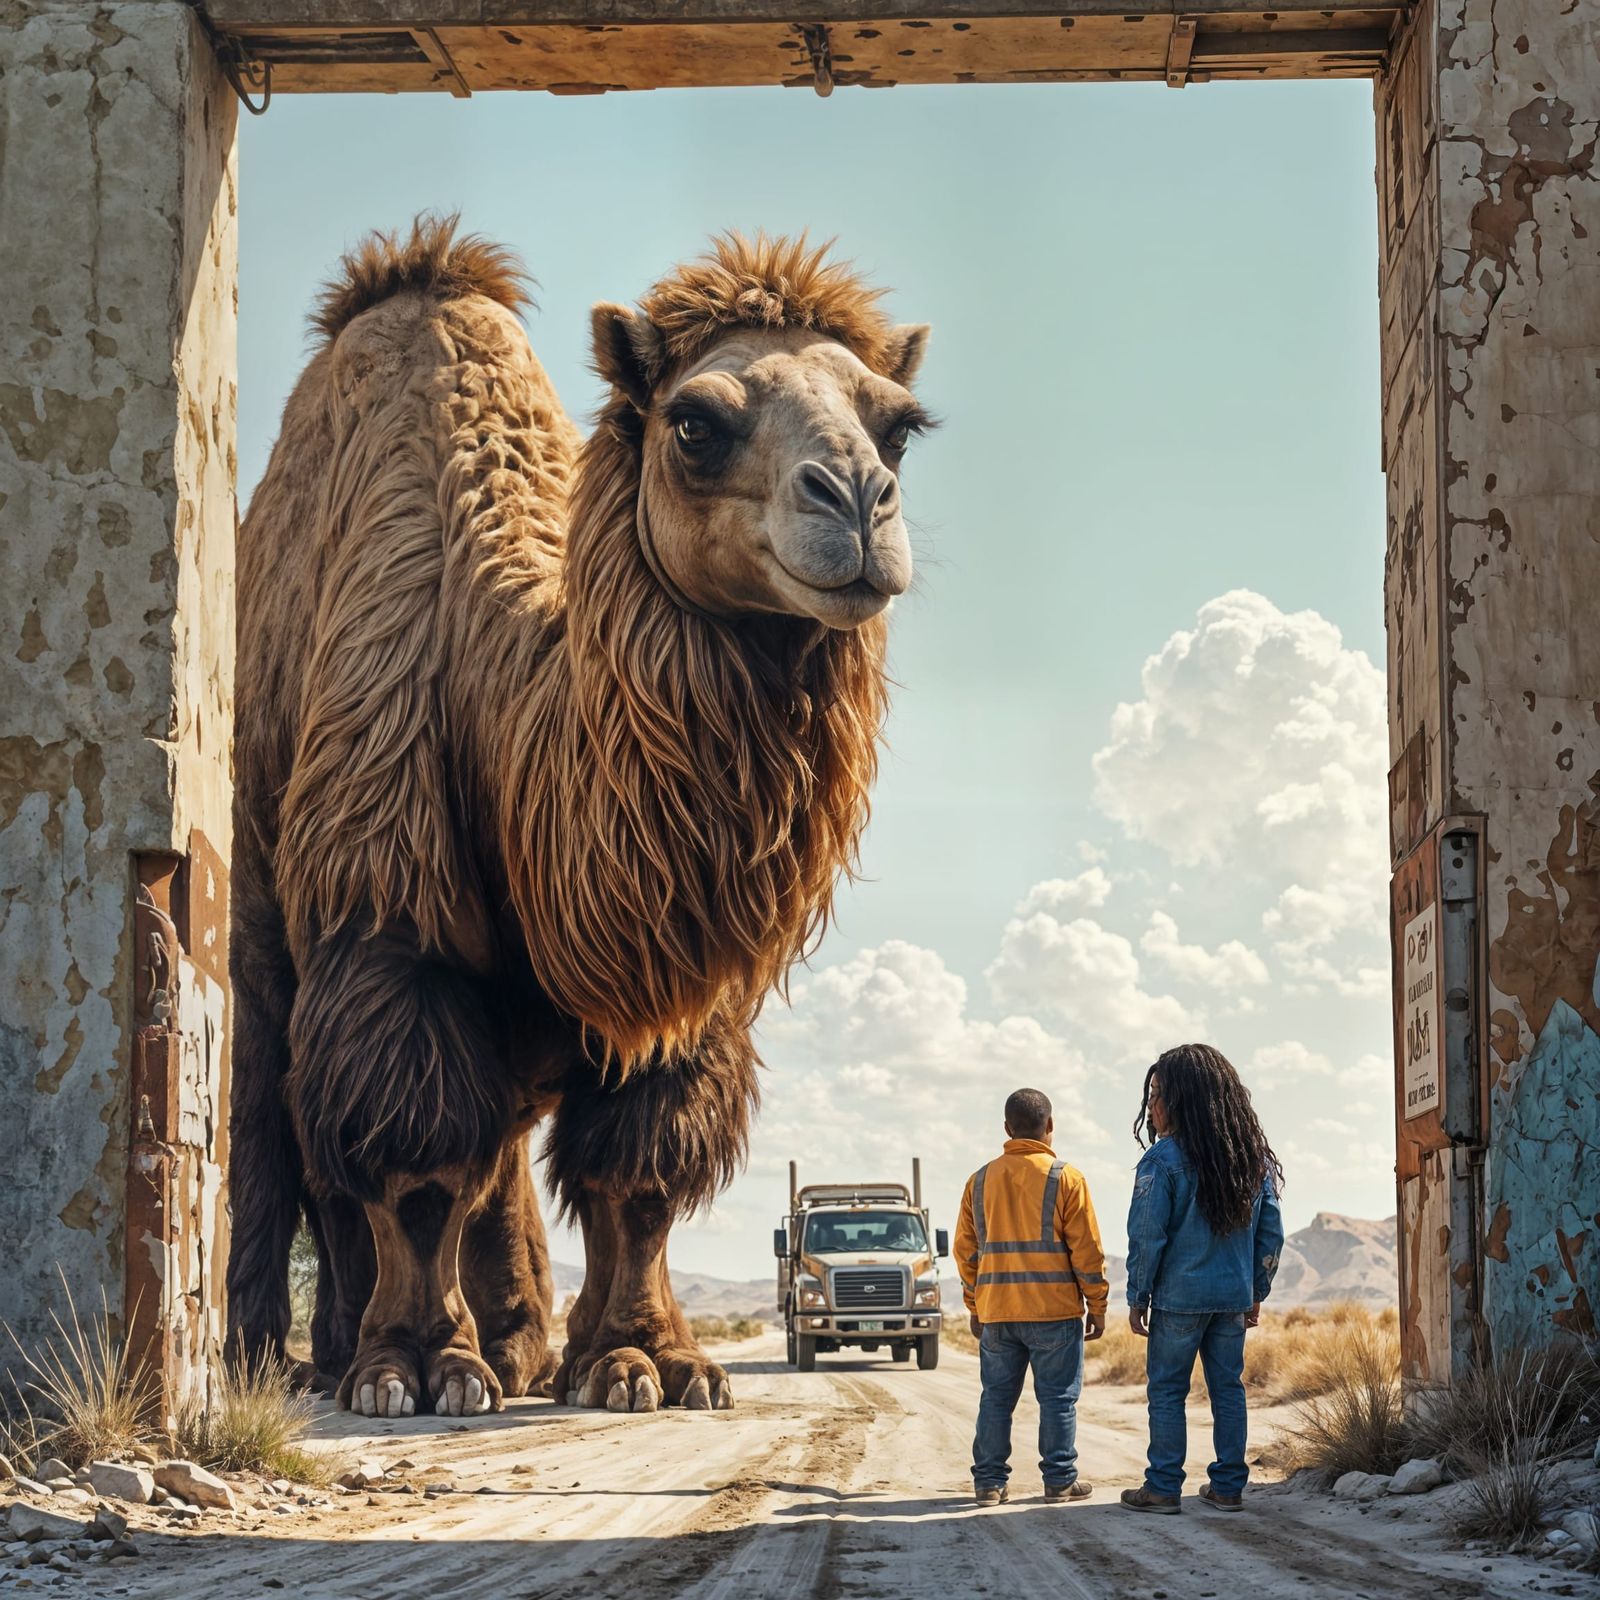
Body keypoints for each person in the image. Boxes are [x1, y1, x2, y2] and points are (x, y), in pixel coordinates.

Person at [1120, 1043, 1285, 1515]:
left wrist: (1138, 1295)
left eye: (1157, 1095)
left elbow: (1147, 1235)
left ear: (1182, 1101)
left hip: (1179, 1300)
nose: (1151, 1107)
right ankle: (1229, 1487)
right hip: (1232, 1297)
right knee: (1227, 1389)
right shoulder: (1250, 1160)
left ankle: (1162, 1488)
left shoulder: (1161, 1161)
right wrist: (1256, 1290)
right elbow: (1271, 1233)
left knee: (1168, 1391)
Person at [954, 1087, 1108, 1507]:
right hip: (1054, 1313)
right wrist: (1097, 1305)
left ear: (1007, 1129)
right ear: (1051, 1127)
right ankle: (1059, 1482)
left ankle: (988, 1484)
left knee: (996, 1399)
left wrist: (975, 1303)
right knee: (1057, 1400)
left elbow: (966, 1252)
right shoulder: (1067, 1178)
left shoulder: (979, 1180)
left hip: (998, 1313)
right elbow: (1088, 1251)